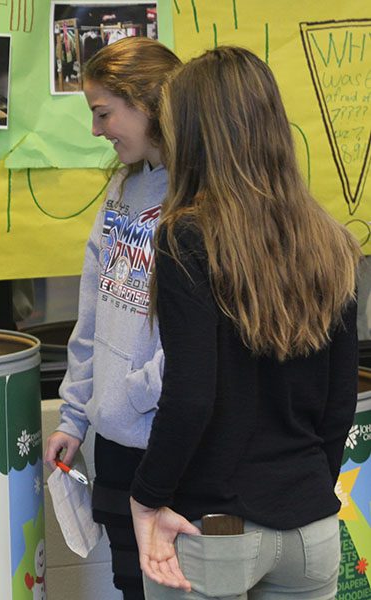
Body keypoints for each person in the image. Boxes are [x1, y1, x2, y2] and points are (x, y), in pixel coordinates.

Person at [129, 46, 361, 599]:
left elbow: (190, 396)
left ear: (194, 133)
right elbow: (339, 401)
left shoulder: (187, 235)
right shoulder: (333, 242)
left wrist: (145, 497)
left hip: (213, 527)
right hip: (311, 530)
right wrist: (301, 488)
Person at [44, 37, 181, 600]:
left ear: (149, 103)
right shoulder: (122, 189)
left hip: (172, 440)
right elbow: (94, 316)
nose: (98, 130)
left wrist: (132, 392)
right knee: (130, 585)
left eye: (104, 113)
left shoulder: (196, 196)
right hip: (115, 438)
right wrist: (76, 415)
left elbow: (202, 338)